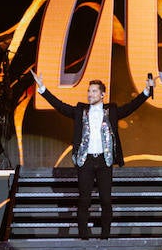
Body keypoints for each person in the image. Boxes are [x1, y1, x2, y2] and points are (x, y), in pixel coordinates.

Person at [31, 70, 154, 239]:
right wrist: (43, 88)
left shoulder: (111, 111)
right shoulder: (81, 111)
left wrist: (147, 92)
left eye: (94, 91)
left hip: (104, 160)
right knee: (84, 200)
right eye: (89, 91)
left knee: (105, 200)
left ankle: (105, 235)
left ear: (103, 94)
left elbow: (131, 106)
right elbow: (60, 106)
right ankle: (84, 235)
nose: (90, 94)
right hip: (86, 160)